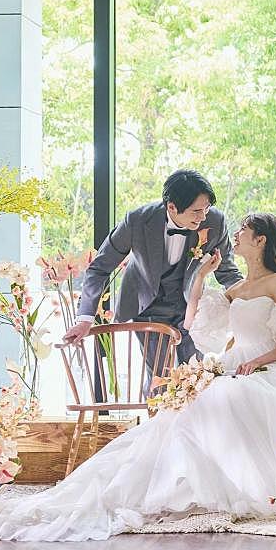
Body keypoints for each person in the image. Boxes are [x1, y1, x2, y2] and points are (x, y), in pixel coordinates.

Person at [0, 213, 276, 541]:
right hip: (236, 365)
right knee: (189, 408)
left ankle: (239, 488)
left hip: (269, 367)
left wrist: (254, 362)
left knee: (225, 399)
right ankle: (180, 486)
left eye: (243, 231)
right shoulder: (238, 288)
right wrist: (201, 275)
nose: (235, 235)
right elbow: (193, 319)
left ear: (261, 240)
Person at [63, 169, 242, 395]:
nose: (203, 217)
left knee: (197, 377)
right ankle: (156, 417)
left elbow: (227, 272)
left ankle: (193, 419)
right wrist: (85, 319)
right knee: (160, 380)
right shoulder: (137, 221)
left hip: (191, 308)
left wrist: (253, 299)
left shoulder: (215, 221)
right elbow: (100, 268)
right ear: (172, 207)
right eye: (197, 211)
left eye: (206, 208)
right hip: (148, 307)